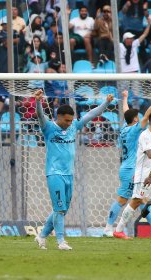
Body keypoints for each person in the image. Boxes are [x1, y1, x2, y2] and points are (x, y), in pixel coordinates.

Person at [33, 89, 115, 250]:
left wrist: (106, 102)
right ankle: (61, 241)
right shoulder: (48, 127)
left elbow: (91, 114)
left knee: (61, 209)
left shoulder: (73, 127)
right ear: (59, 117)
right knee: (59, 208)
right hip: (54, 173)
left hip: (69, 174)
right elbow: (40, 116)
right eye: (67, 120)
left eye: (71, 120)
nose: (70, 123)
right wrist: (37, 102)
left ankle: (41, 236)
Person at [103, 91, 151, 237]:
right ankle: (108, 228)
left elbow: (126, 112)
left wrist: (124, 98)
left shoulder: (125, 127)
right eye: (138, 117)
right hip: (131, 169)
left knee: (142, 199)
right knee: (123, 199)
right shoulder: (135, 130)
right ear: (136, 119)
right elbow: (149, 115)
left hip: (127, 167)